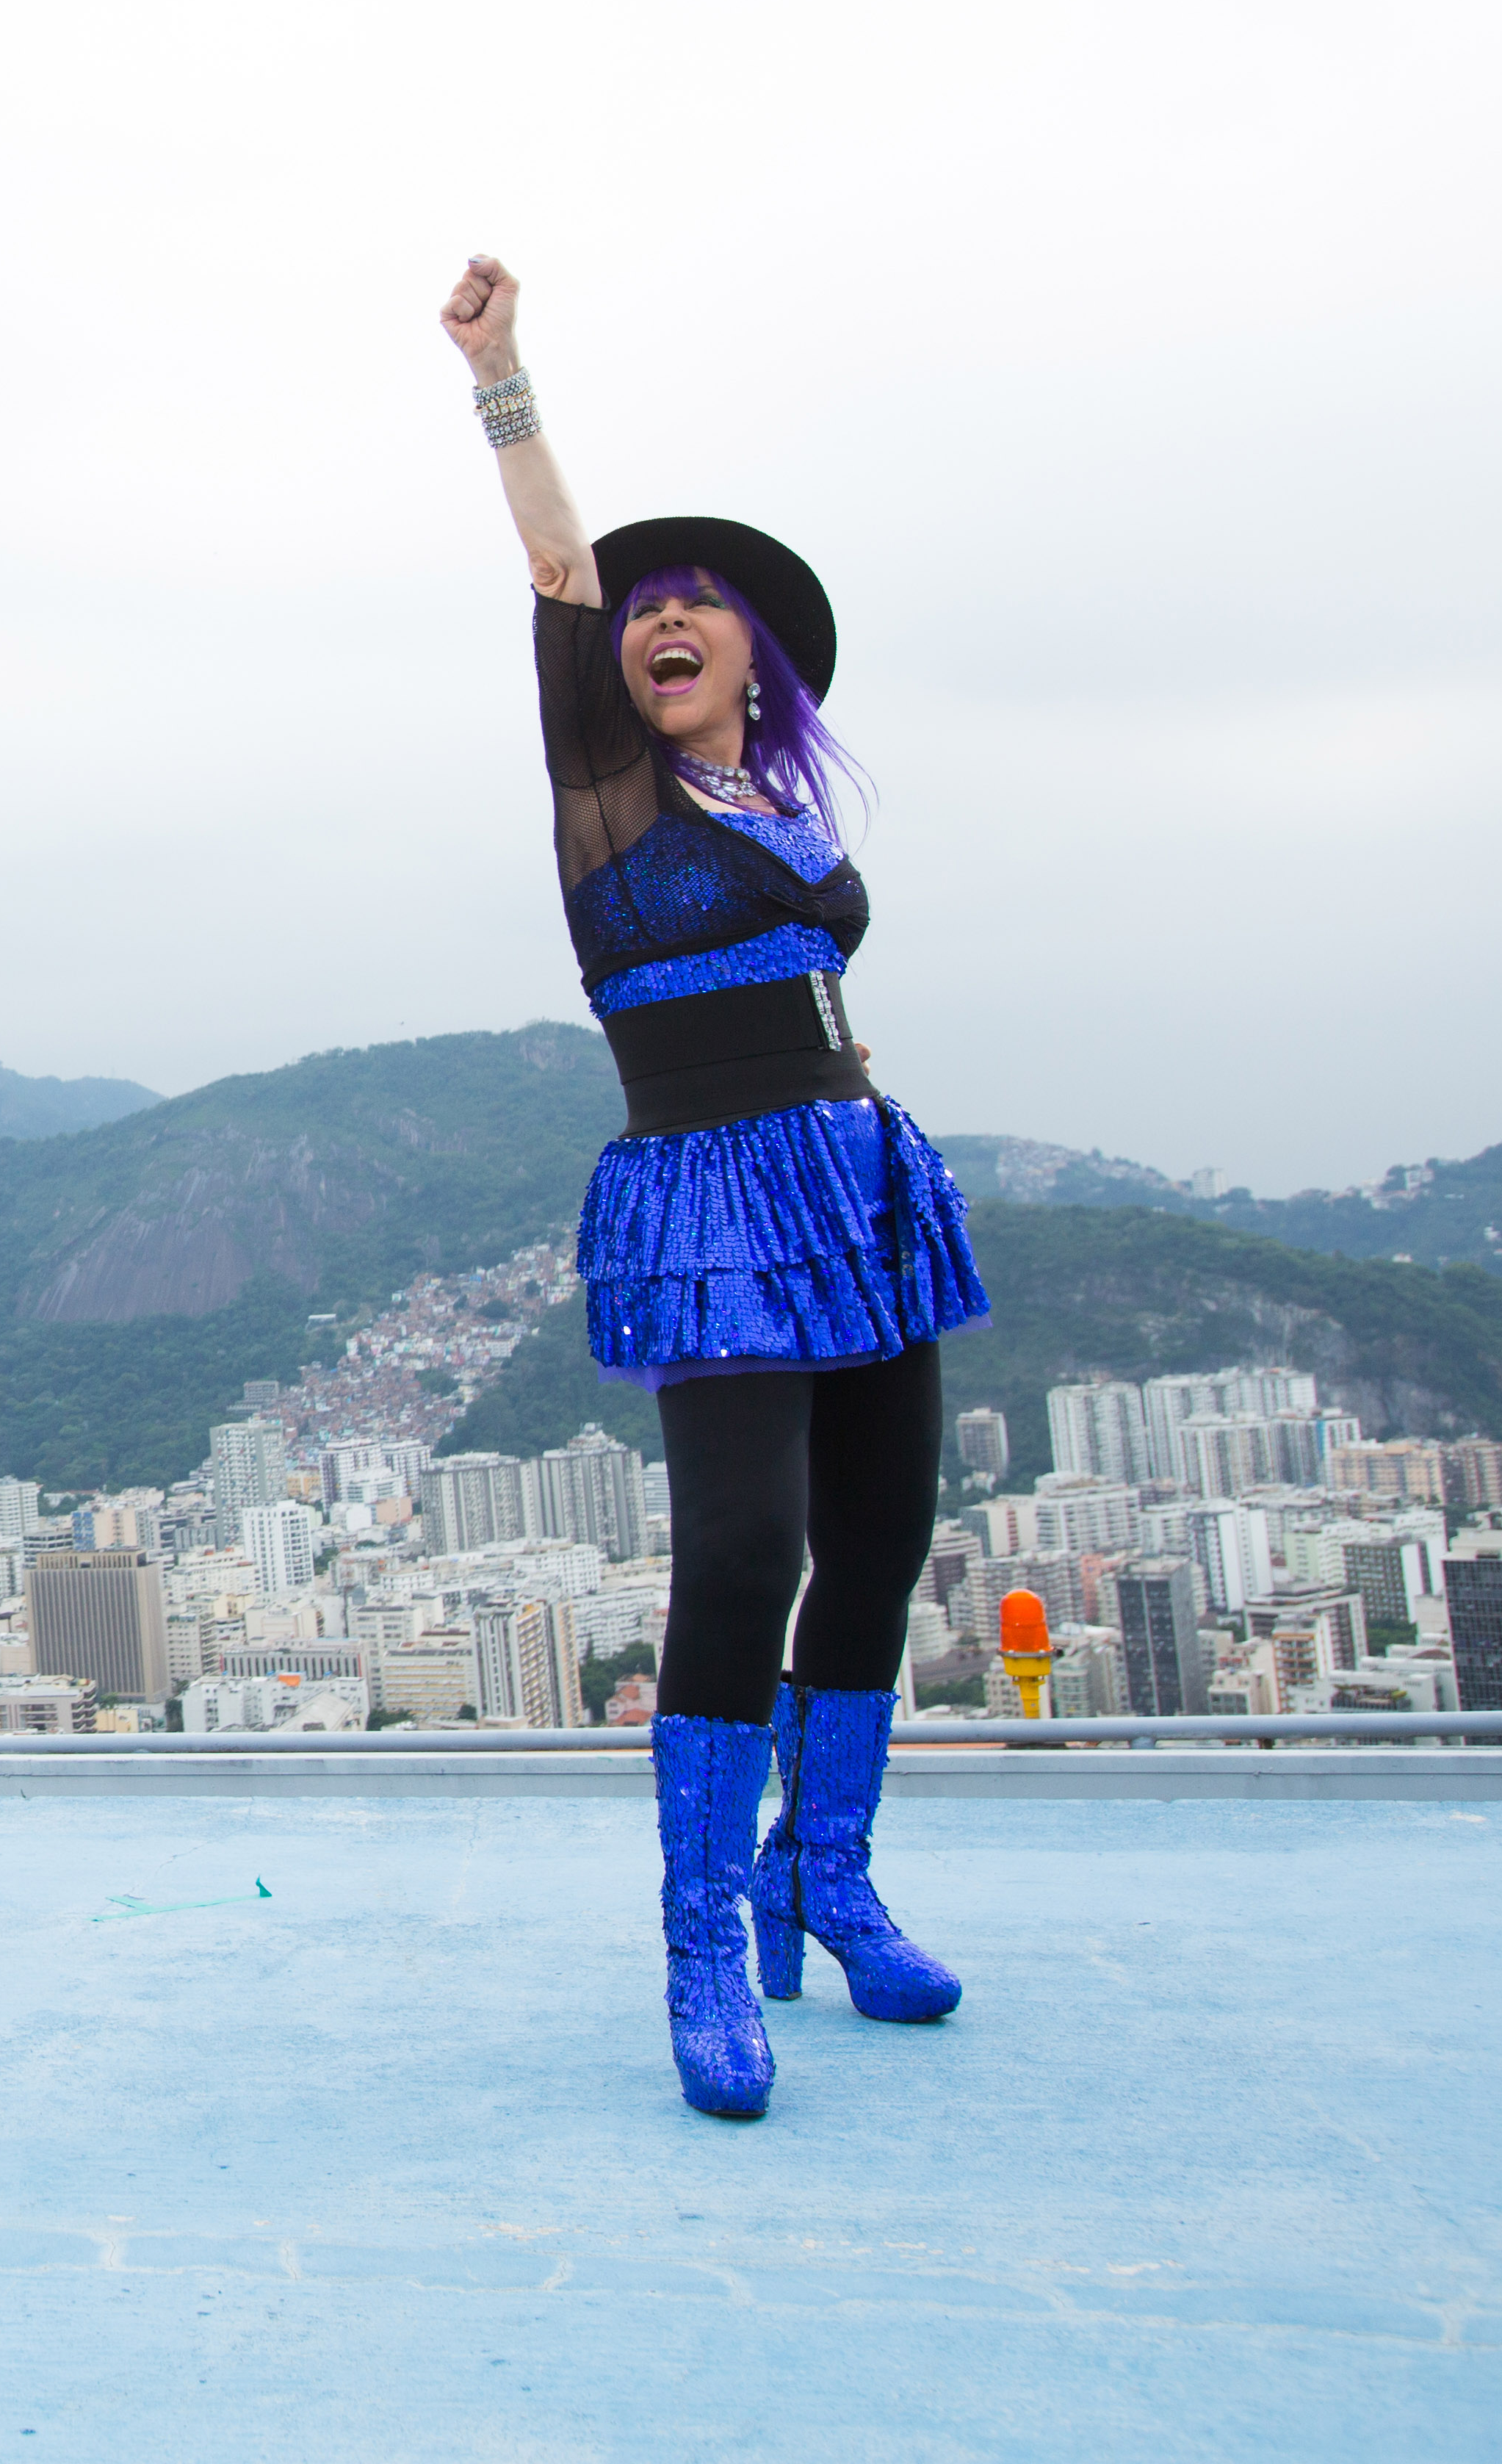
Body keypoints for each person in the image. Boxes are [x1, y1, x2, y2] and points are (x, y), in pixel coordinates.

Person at [438, 254, 991, 2121]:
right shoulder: (610, 786)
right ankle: (698, 1941)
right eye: (648, 607)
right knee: (746, 1550)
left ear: (758, 654)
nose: (664, 617)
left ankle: (819, 1877)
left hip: (859, 1172)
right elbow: (558, 571)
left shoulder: (790, 803)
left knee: (884, 1543)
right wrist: (504, 377)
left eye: (702, 604)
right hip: (710, 1191)